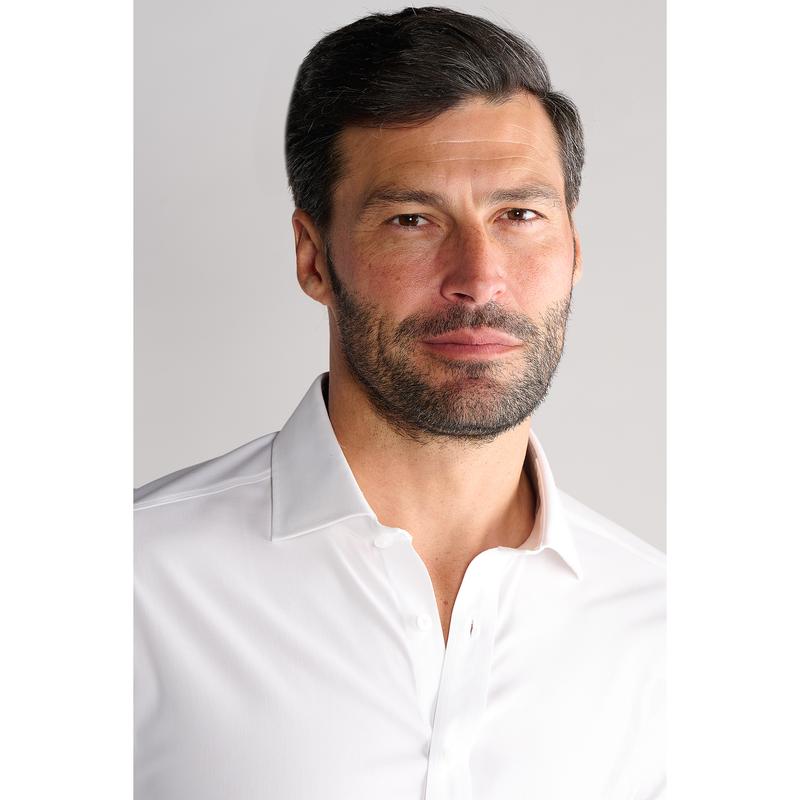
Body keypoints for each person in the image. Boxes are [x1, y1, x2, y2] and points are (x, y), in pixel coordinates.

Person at [134, 7, 665, 799]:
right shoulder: (132, 587)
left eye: (519, 215)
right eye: (412, 220)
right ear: (314, 258)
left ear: (574, 248)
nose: (478, 278)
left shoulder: (667, 633)